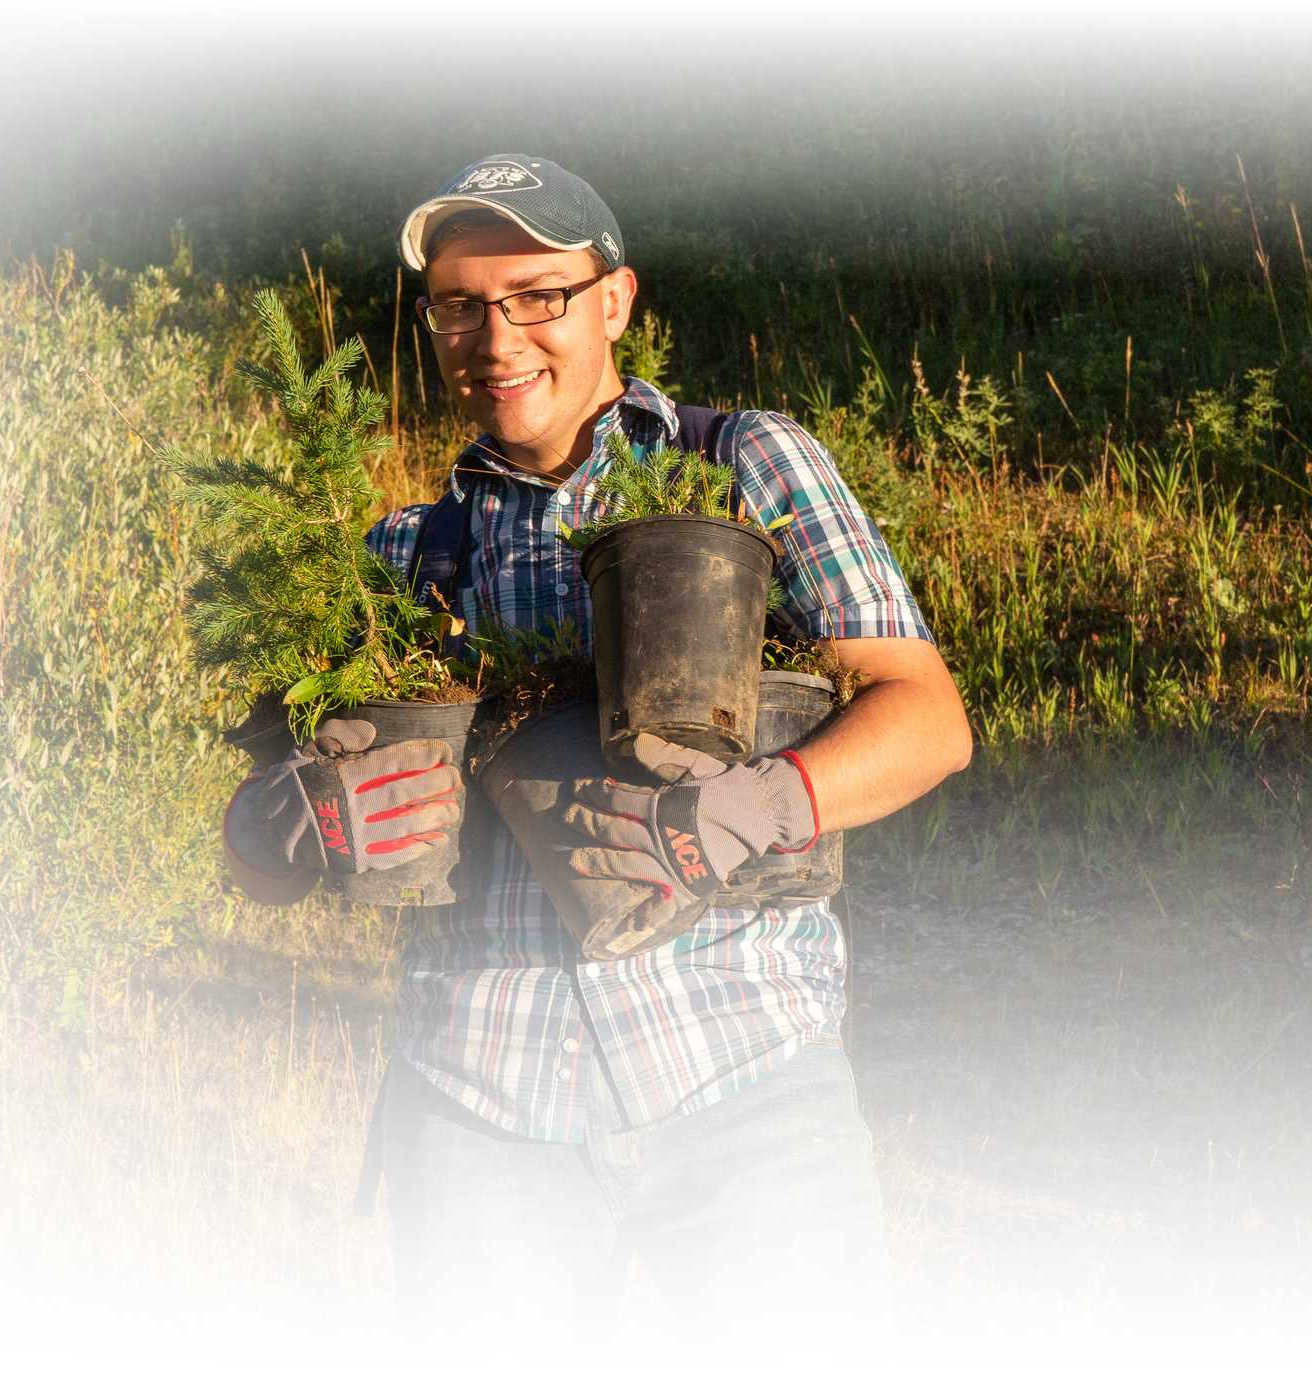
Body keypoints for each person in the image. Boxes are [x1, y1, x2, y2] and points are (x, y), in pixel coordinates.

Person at [221, 154, 972, 1332]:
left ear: (614, 300)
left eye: (535, 295)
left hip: (744, 1084)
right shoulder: (396, 564)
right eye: (460, 305)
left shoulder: (743, 467)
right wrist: (285, 824)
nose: (495, 334)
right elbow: (258, 844)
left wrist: (749, 809)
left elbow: (926, 714)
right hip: (480, 1103)